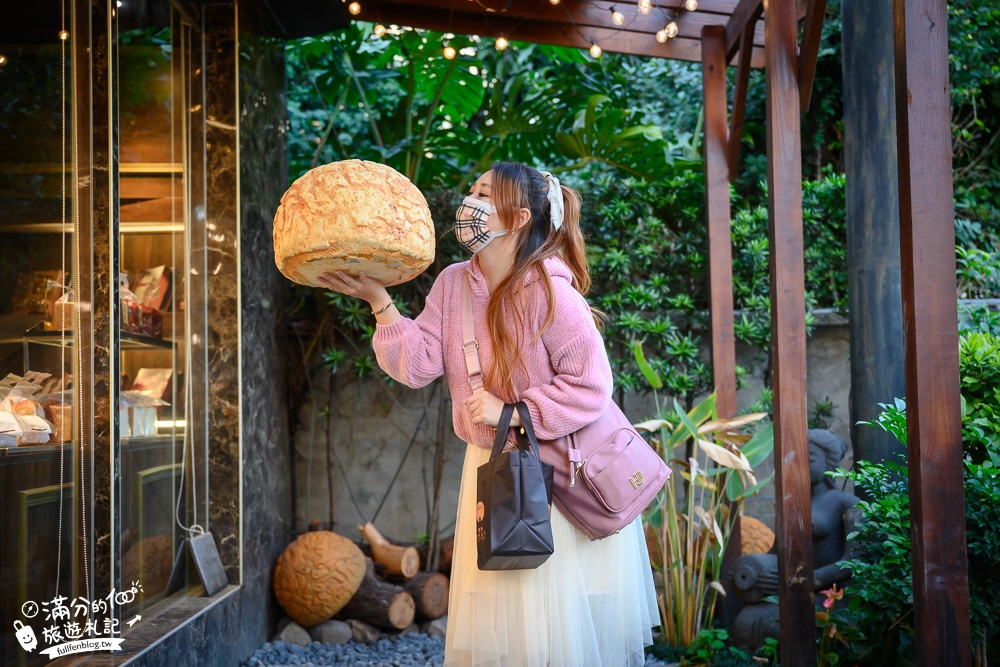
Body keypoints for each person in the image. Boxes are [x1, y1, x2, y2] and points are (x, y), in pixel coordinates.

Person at [318, 161, 658, 667]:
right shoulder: (454, 284)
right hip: (491, 467)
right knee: (506, 629)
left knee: (553, 630)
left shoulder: (551, 293)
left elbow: (592, 386)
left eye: (484, 195)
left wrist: (514, 411)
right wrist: (380, 303)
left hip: (549, 481)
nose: (469, 204)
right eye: (471, 192)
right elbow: (417, 364)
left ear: (519, 217)